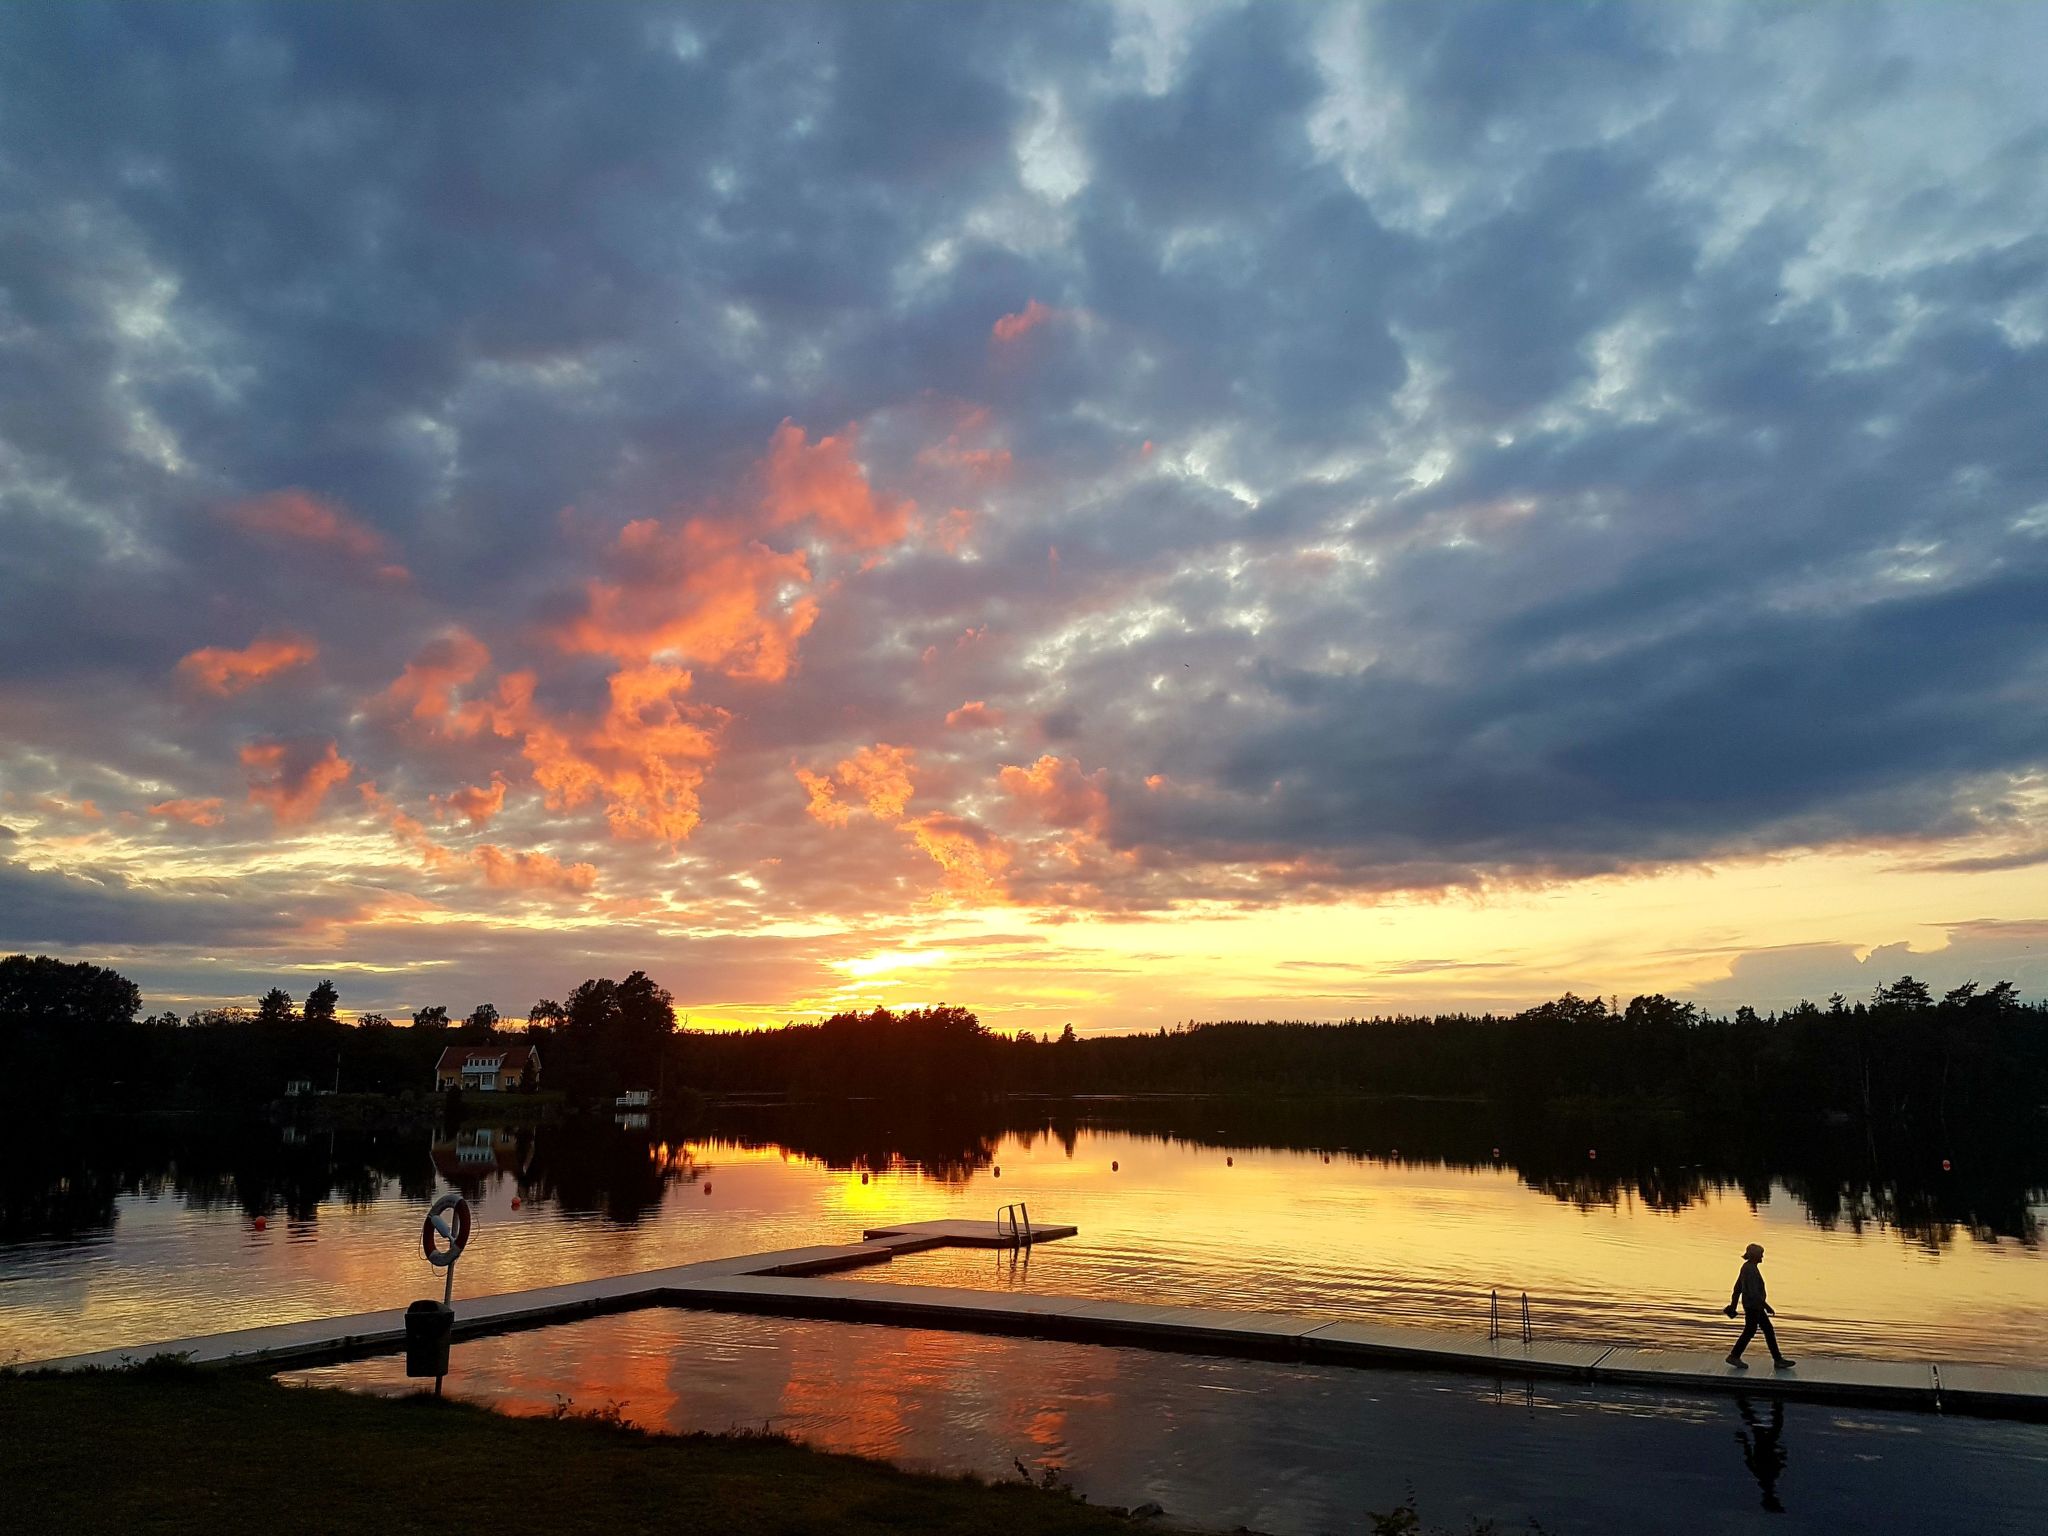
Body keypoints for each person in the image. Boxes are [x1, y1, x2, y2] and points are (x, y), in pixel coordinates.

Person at [1724, 1242, 1795, 1369]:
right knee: (1751, 1331)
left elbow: (1737, 1288)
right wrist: (1766, 1306)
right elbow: (1753, 1293)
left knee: (1766, 1330)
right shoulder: (1750, 1270)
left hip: (1755, 1306)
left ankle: (1778, 1360)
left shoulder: (1747, 1267)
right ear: (1754, 1256)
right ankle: (1734, 1356)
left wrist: (1733, 1306)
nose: (1762, 1257)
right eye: (1761, 1255)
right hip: (1753, 1306)